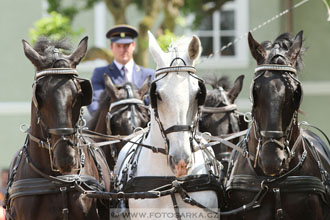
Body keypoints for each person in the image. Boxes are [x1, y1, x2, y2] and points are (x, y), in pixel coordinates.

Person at [87, 24, 155, 114]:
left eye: (126, 45)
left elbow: (154, 106)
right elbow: (95, 106)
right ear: (111, 47)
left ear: (133, 45)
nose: (122, 50)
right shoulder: (100, 73)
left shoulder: (149, 75)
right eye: (118, 46)